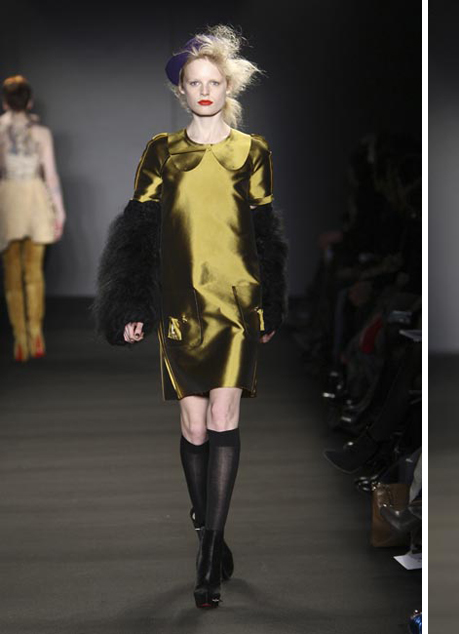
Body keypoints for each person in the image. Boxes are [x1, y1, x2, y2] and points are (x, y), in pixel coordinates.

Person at [93, 25, 288, 609]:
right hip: (181, 303)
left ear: (229, 88)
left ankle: (206, 558)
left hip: (235, 301)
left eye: (213, 82)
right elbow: (137, 229)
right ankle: (210, 529)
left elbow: (265, 232)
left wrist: (271, 301)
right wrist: (131, 303)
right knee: (194, 427)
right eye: (194, 83)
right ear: (181, 92)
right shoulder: (162, 151)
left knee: (224, 419)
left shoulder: (253, 152)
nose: (204, 91)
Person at [0, 75, 66, 361]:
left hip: (8, 199)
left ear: (5, 102)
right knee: (34, 272)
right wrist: (60, 212)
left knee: (12, 273)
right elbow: (50, 176)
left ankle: (20, 339)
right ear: (29, 102)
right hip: (36, 199)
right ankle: (36, 333)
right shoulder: (42, 133)